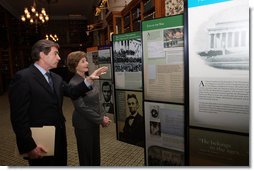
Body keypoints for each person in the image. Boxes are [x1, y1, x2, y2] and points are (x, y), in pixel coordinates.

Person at [8, 39, 108, 166]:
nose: (59, 58)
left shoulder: (56, 78)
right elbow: (18, 118)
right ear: (42, 54)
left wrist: (89, 80)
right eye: (55, 54)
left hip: (59, 138)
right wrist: (28, 146)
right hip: (39, 141)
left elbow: (72, 92)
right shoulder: (23, 78)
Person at [67, 51, 110, 166]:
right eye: (83, 61)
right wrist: (100, 119)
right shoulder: (73, 83)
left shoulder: (88, 78)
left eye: (86, 60)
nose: (87, 63)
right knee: (86, 157)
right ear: (75, 65)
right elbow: (81, 107)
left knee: (95, 154)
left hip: (94, 122)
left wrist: (103, 116)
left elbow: (98, 99)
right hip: (83, 125)